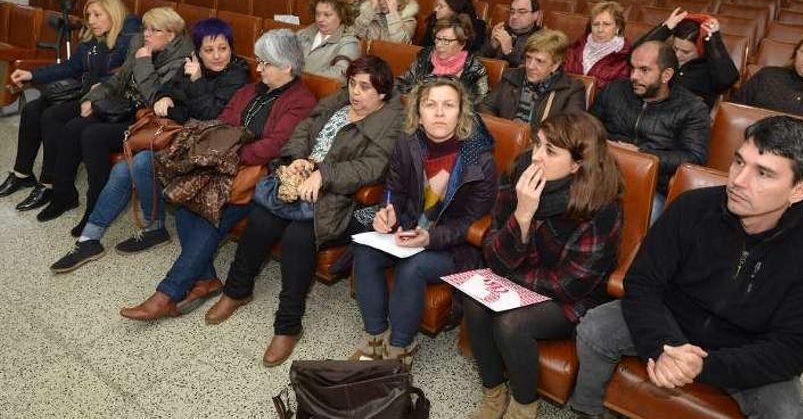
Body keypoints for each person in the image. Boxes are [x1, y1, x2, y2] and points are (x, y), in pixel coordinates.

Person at [571, 116, 803, 419]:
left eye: (763, 173)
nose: (737, 180)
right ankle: (588, 410)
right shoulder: (691, 207)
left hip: (745, 347)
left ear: (798, 191)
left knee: (788, 414)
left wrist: (704, 366)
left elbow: (796, 348)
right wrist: (664, 345)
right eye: (738, 162)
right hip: (672, 319)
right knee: (594, 328)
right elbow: (643, 282)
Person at [203, 55, 404, 368]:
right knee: (260, 219)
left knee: (299, 237)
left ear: (382, 92)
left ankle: (287, 325)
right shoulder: (337, 101)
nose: (356, 92)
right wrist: (296, 158)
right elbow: (305, 127)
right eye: (353, 83)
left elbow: (372, 167)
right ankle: (236, 291)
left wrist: (324, 173)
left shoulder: (390, 122)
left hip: (338, 200)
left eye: (365, 87)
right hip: (298, 182)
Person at [118, 29, 317, 322]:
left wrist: (229, 156)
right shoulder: (250, 90)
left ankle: (167, 294)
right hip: (224, 166)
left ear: (286, 66)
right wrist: (223, 154)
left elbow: (274, 146)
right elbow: (221, 124)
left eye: (265, 63)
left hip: (256, 178)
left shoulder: (301, 101)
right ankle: (207, 279)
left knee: (212, 217)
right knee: (186, 206)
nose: (258, 67)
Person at [48, 18, 251, 273]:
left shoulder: (237, 75)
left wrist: (195, 82)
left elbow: (213, 115)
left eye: (223, 48)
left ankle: (154, 227)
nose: (217, 56)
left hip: (207, 147)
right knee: (124, 168)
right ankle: (90, 238)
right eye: (209, 50)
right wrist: (167, 97)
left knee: (143, 160)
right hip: (181, 137)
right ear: (197, 51)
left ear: (231, 48)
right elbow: (165, 92)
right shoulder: (189, 65)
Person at [465, 113, 624, 419]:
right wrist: (522, 218)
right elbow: (494, 254)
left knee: (511, 323)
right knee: (474, 302)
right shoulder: (520, 173)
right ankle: (493, 392)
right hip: (525, 275)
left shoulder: (601, 205)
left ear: (577, 164)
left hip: (571, 298)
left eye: (550, 151)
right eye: (537, 143)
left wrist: (511, 274)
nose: (535, 156)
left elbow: (571, 285)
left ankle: (524, 407)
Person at [351, 77, 498, 368]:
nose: (439, 113)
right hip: (407, 230)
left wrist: (430, 238)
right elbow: (393, 189)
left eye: (448, 105)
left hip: (452, 246)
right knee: (364, 250)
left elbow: (471, 223)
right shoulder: (407, 143)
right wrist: (387, 212)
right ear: (418, 114)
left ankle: (400, 348)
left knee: (413, 267)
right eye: (430, 105)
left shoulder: (479, 159)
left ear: (461, 113)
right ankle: (376, 337)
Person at [36, 7, 193, 232]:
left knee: (93, 135)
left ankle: (95, 208)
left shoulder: (181, 61)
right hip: (124, 106)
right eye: (145, 28)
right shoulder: (142, 44)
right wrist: (92, 97)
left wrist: (143, 62)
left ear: (172, 34)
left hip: (146, 120)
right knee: (73, 127)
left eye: (154, 30)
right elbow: (119, 79)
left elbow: (154, 99)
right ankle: (63, 194)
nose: (146, 34)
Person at [0, 0, 140, 211]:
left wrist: (99, 89)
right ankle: (22, 173)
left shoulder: (127, 40)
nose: (91, 20)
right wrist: (31, 75)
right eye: (88, 15)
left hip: (106, 101)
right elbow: (69, 67)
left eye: (97, 14)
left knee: (51, 116)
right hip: (83, 93)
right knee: (32, 109)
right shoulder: (92, 39)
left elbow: (123, 76)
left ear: (113, 14)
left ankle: (49, 183)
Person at [590, 40, 709, 223]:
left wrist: (640, 155)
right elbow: (587, 127)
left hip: (652, 186)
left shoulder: (691, 108)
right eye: (633, 68)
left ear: (666, 75)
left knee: (648, 216)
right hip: (601, 172)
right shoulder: (615, 90)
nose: (634, 76)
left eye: (644, 70)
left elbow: (694, 158)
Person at [478, 29, 586, 129]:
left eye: (539, 61)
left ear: (555, 64)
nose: (530, 66)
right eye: (528, 58)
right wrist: (504, 130)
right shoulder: (512, 76)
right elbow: (485, 106)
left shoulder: (572, 89)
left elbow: (570, 130)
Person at [635, 7, 739, 108]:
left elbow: (727, 81)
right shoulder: (666, 56)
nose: (677, 55)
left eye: (686, 52)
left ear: (700, 51)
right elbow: (635, 57)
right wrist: (665, 28)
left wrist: (713, 40)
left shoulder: (711, 67)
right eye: (675, 48)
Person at [395, 15, 489, 103]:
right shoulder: (425, 56)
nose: (439, 45)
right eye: (438, 39)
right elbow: (402, 84)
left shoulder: (475, 69)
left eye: (446, 40)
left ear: (462, 44)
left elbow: (477, 104)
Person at [564, 1, 632, 91]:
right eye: (596, 24)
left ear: (617, 27)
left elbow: (618, 94)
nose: (600, 30)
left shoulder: (625, 57)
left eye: (606, 24)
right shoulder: (576, 48)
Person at [296, 0, 361, 82]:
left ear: (341, 16)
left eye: (327, 15)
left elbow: (341, 74)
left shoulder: (349, 43)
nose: (320, 19)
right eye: (318, 14)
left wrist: (299, 79)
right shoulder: (302, 34)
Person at [480, 0, 543, 68]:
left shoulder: (542, 39)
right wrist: (492, 47)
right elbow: (479, 61)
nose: (514, 16)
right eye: (512, 11)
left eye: (521, 12)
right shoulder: (500, 30)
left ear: (535, 15)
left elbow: (530, 71)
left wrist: (509, 52)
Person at [352, 0, 419, 44]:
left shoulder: (409, 20)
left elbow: (399, 43)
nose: (382, 2)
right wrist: (370, 9)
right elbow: (356, 33)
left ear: (399, 1)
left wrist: (393, 12)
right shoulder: (372, 16)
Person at [421, 0, 488, 53]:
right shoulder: (434, 21)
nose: (435, 9)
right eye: (436, 5)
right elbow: (424, 49)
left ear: (454, 9)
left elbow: (472, 56)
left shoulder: (477, 28)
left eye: (441, 6)